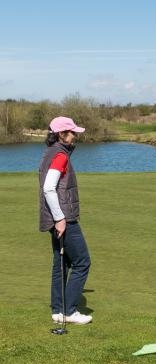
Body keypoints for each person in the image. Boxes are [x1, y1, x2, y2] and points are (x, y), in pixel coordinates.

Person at [39, 116, 93, 325]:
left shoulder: (50, 152)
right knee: (82, 262)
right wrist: (60, 218)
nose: (75, 136)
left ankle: (57, 310)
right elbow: (48, 188)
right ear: (62, 134)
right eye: (72, 133)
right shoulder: (60, 155)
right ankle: (69, 311)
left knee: (61, 263)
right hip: (64, 218)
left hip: (58, 216)